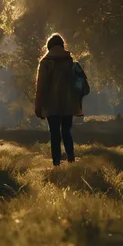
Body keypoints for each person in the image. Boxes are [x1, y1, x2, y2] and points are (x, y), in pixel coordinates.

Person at [34, 33, 80, 166]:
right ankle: (71, 160)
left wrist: (38, 106)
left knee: (54, 133)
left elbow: (41, 86)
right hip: (68, 103)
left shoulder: (46, 62)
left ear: (49, 46)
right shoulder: (70, 61)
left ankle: (56, 164)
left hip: (51, 104)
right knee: (66, 131)